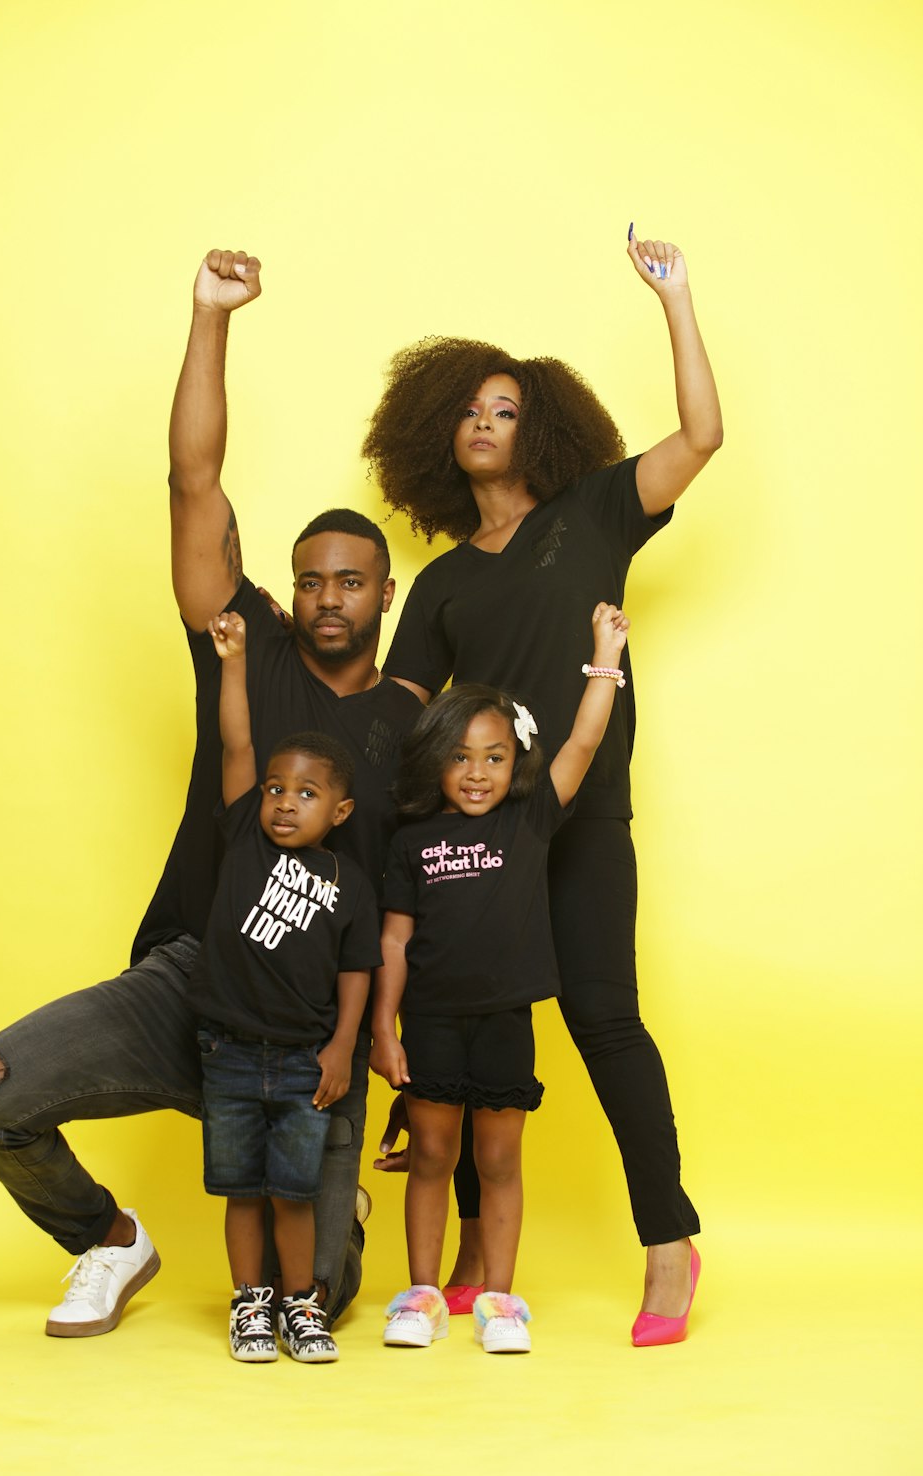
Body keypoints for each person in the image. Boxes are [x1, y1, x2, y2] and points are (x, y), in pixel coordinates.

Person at [0, 248, 420, 1337]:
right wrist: (211, 317)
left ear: (386, 593)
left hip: (306, 1032)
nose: (327, 597)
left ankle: (329, 1208)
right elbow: (194, 485)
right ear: (287, 587)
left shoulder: (409, 721)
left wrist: (400, 1060)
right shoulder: (249, 648)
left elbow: (409, 904)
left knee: (324, 1299)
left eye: (351, 581)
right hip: (193, 981)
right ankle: (109, 1243)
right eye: (310, 578)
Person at [363, 230, 720, 1346]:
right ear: (439, 434)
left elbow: (703, 435)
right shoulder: (442, 579)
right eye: (468, 409)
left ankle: (668, 1241)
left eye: (505, 409)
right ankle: (474, 1251)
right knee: (467, 1021)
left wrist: (675, 296)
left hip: (580, 812)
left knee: (603, 1017)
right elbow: (396, 712)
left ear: (540, 429)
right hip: (482, 835)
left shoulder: (597, 513)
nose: (483, 422)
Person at [373, 604, 629, 1355]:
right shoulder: (412, 838)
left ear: (516, 761)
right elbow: (393, 938)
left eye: (492, 756)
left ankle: (499, 1302)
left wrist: (604, 656)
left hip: (505, 1021)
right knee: (430, 1157)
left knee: (498, 1163)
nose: (477, 773)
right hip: (429, 1024)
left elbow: (584, 739)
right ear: (435, 762)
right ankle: (420, 1295)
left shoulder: (530, 821)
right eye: (459, 757)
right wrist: (384, 1031)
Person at [193, 610, 381, 1362]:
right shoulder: (242, 833)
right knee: (242, 1189)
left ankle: (302, 1305)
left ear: (338, 812)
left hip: (307, 1059)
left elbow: (357, 971)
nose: (281, 802)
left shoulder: (350, 883)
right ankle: (251, 1304)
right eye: (276, 787)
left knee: (293, 1192)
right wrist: (233, 661)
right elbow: (236, 740)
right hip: (229, 1051)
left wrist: (342, 1049)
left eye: (305, 794)